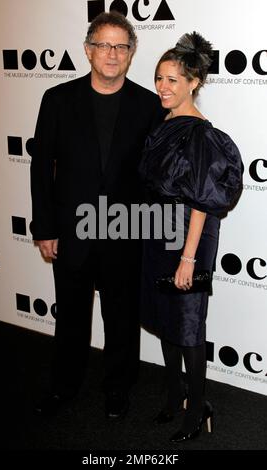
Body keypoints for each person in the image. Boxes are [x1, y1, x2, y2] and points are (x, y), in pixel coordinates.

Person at [30, 11, 164, 418]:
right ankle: (64, 384)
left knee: (122, 317)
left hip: (125, 232)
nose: (112, 53)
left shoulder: (148, 105)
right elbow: (41, 168)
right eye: (103, 45)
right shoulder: (57, 100)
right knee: (71, 313)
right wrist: (45, 226)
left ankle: (118, 387)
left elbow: (156, 175)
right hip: (71, 231)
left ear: (131, 53)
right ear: (88, 51)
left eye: (121, 46)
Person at [139, 32, 243, 441]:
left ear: (194, 82)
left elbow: (201, 201)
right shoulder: (164, 121)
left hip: (189, 237)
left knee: (187, 325)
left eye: (173, 81)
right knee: (167, 320)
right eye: (159, 78)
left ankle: (198, 408)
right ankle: (173, 394)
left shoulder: (201, 134)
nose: (163, 87)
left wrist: (187, 257)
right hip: (159, 233)